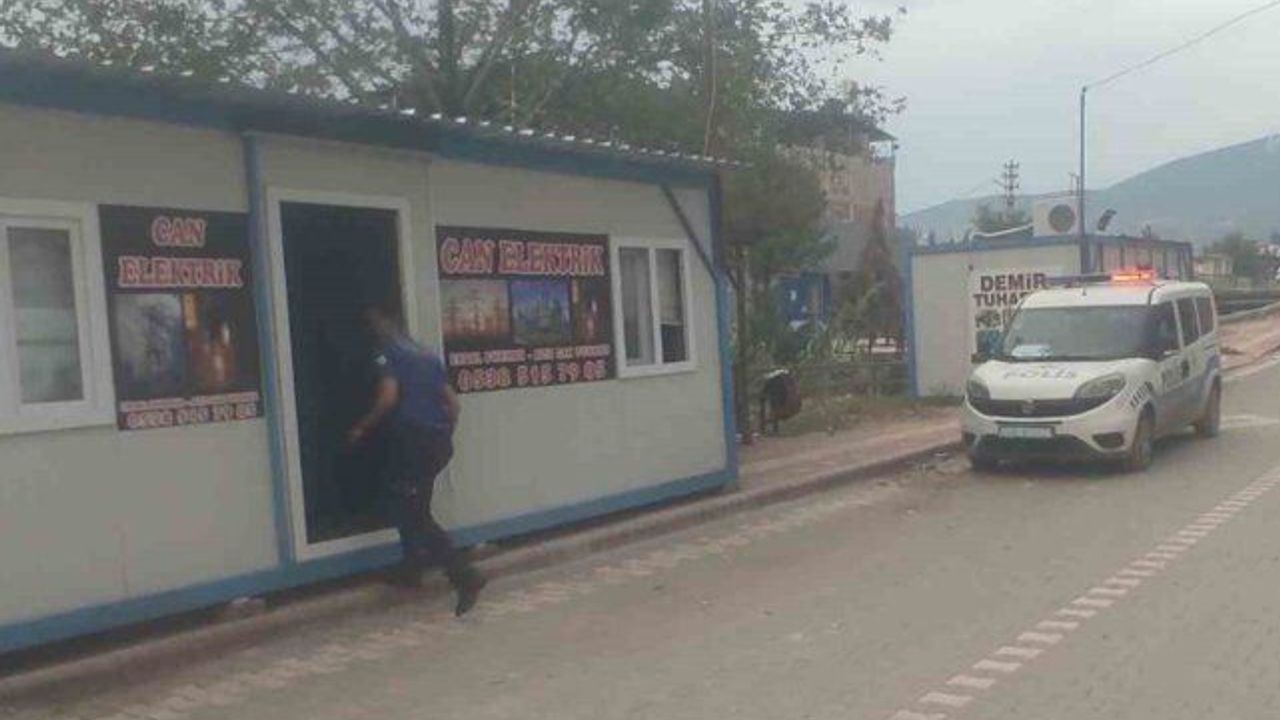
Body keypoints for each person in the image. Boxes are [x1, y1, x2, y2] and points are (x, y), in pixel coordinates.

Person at [347, 302, 486, 617]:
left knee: (412, 512)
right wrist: (442, 432)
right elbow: (454, 405)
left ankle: (464, 575)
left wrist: (362, 427)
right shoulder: (426, 354)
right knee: (412, 501)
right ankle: (411, 569)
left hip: (413, 442)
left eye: (374, 322)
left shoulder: (388, 353)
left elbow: (388, 397)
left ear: (386, 322)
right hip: (436, 443)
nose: (372, 329)